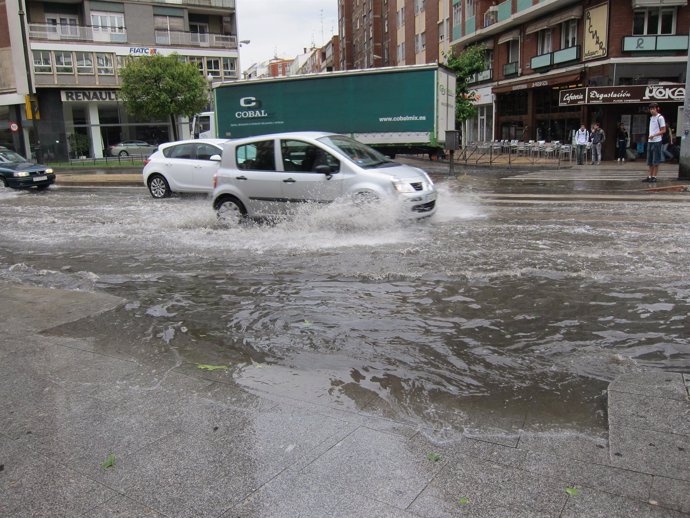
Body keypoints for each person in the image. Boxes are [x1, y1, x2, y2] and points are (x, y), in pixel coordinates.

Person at [643, 102, 666, 183]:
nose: (652, 110)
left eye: (653, 109)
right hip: (650, 141)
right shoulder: (651, 118)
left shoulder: (660, 117)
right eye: (650, 109)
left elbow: (663, 130)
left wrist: (654, 135)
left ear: (657, 108)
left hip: (657, 141)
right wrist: (650, 137)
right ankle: (649, 176)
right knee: (649, 160)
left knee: (655, 160)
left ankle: (654, 176)